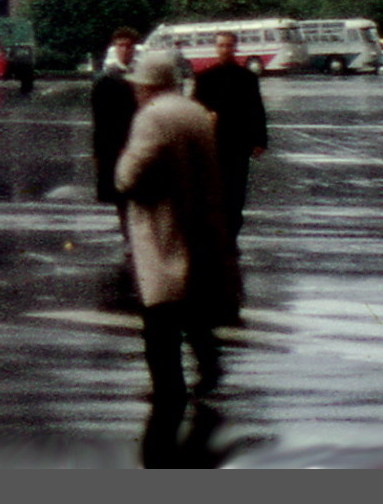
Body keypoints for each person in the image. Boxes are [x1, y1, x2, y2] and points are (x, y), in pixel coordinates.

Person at [115, 51, 232, 408]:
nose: (136, 92)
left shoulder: (152, 117)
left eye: (138, 86)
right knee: (192, 297)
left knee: (160, 310)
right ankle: (208, 365)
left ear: (149, 86)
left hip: (160, 220)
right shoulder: (195, 111)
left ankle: (168, 387)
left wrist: (122, 174)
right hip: (198, 217)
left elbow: (131, 173)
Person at [190, 31, 268, 253]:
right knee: (213, 193)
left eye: (228, 46)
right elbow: (193, 109)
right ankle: (214, 236)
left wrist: (259, 140)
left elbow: (256, 110)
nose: (224, 49)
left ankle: (231, 237)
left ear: (235, 48)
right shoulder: (204, 78)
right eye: (221, 45)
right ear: (216, 48)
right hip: (211, 145)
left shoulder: (247, 78)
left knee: (236, 195)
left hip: (238, 145)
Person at [91, 28, 142, 238]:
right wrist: (99, 149)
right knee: (120, 193)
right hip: (113, 143)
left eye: (128, 46)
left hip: (139, 140)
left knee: (141, 191)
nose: (124, 50)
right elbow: (99, 117)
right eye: (120, 46)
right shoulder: (105, 79)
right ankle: (127, 235)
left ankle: (139, 234)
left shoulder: (141, 76)